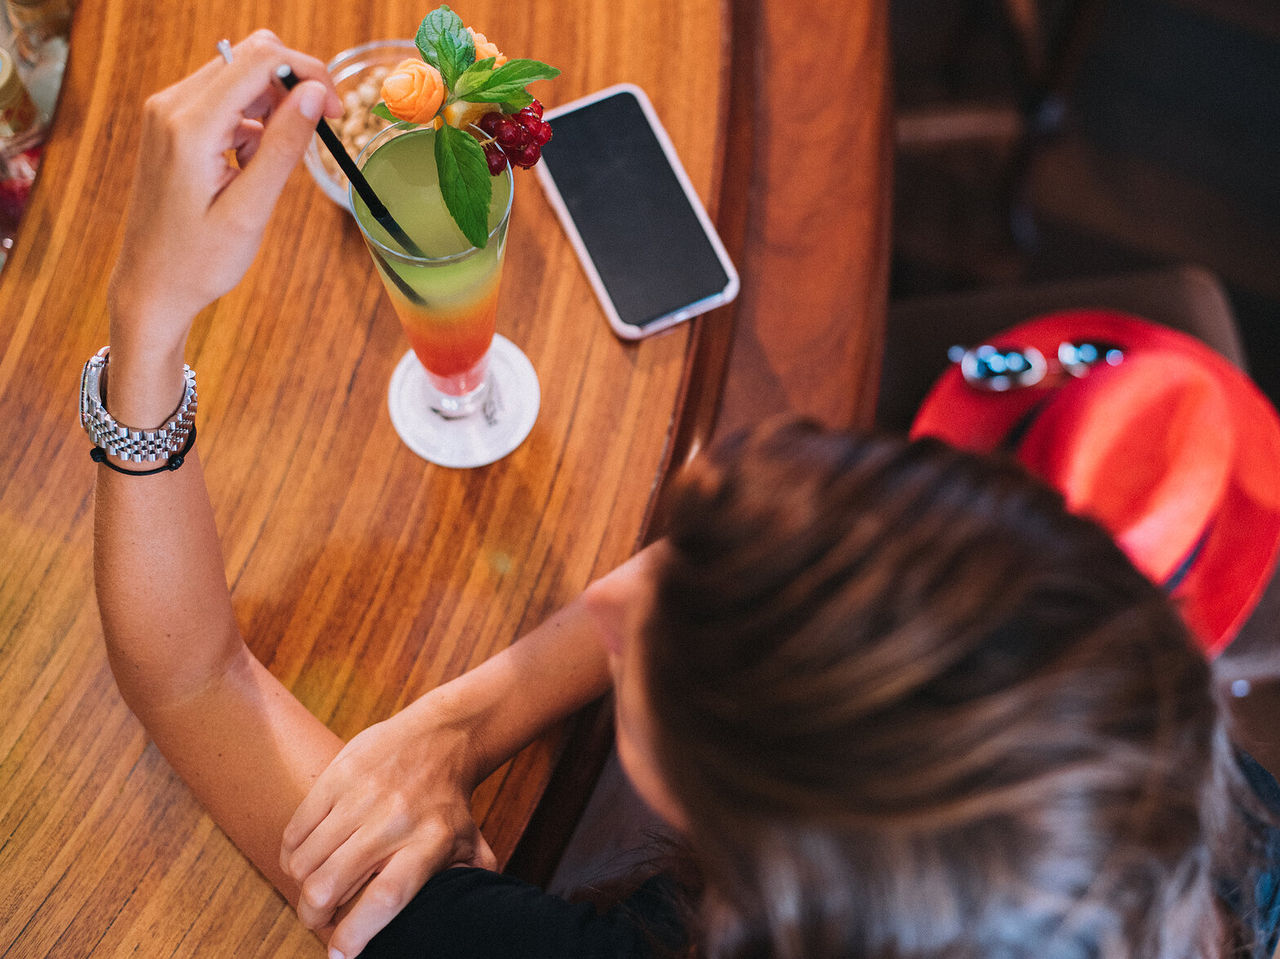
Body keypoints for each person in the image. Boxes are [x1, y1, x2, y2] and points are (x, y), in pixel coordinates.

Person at [92, 33, 1280, 959]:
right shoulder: (1187, 827)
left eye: (659, 651)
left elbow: (191, 678)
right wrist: (455, 726)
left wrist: (148, 315)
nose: (611, 596)